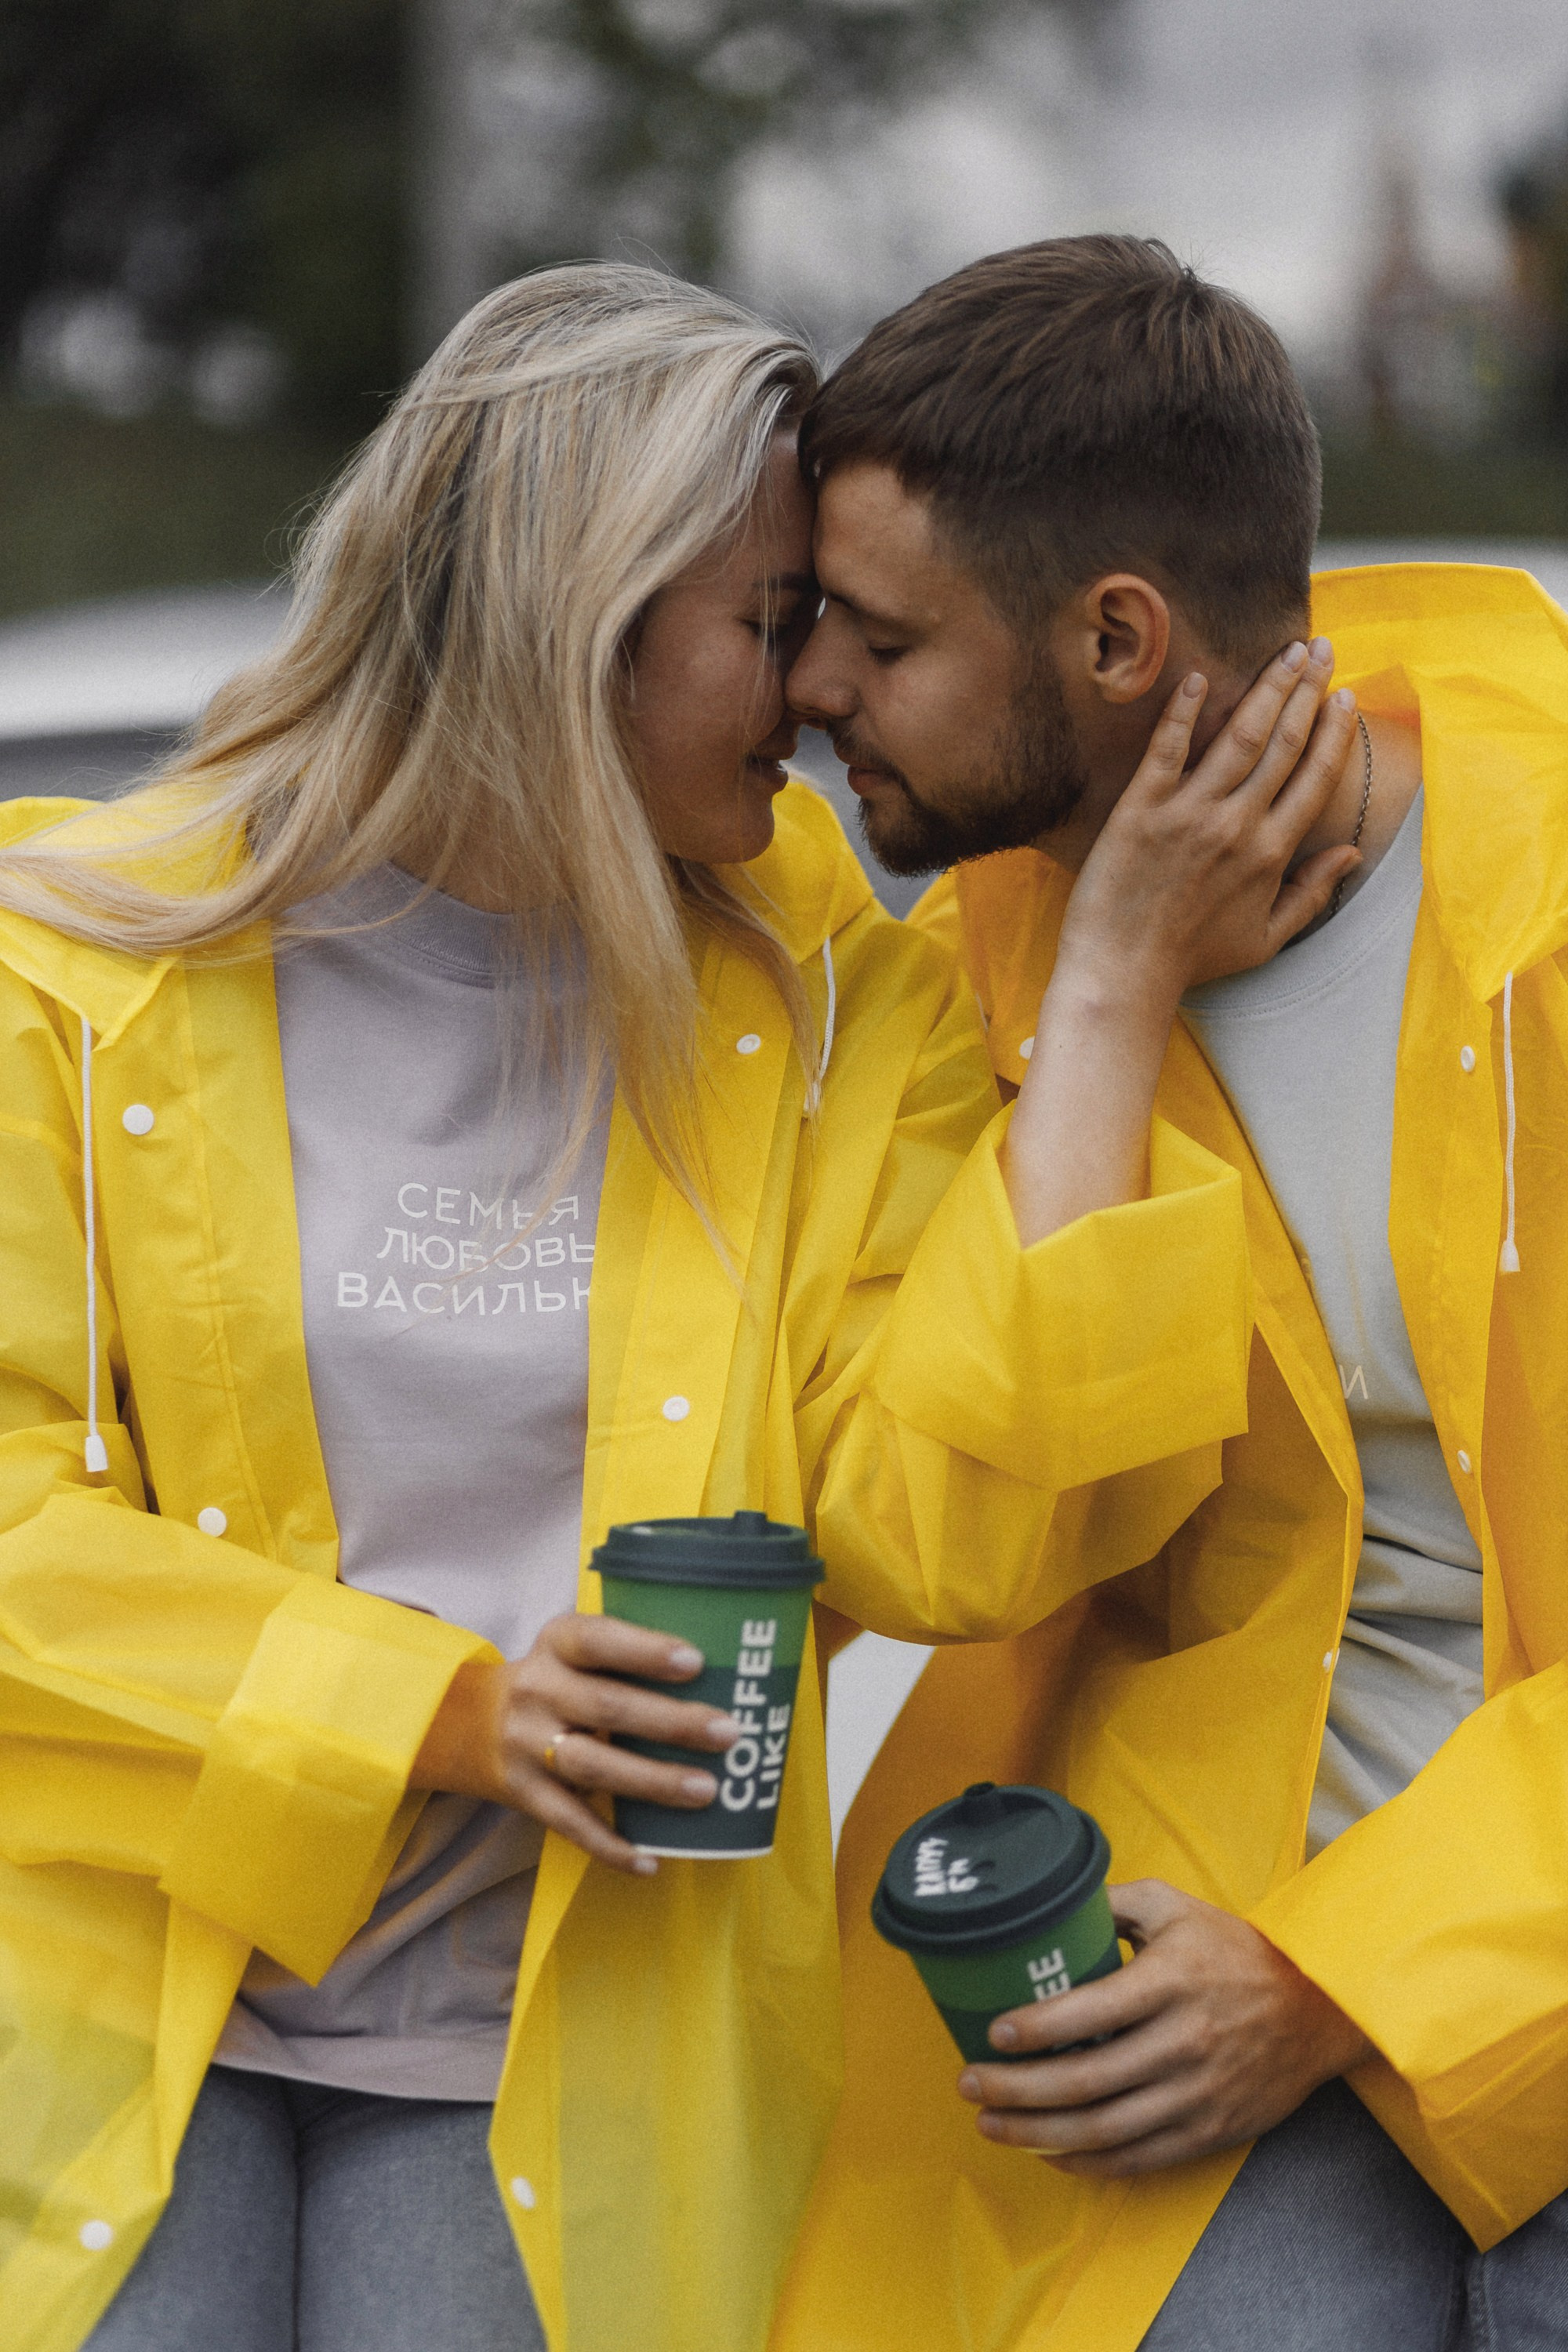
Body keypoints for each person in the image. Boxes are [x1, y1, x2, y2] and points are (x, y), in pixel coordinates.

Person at [0, 263, 1306, 2352]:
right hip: (123, 1994)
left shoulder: (822, 1006)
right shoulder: (71, 977)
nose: (809, 693)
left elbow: (940, 1532)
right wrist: (442, 1708)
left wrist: (1112, 992)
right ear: (573, 623)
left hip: (582, 2029)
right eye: (772, 622)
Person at [776, 234, 1568, 2352]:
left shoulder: (1549, 905)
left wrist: (1348, 1977)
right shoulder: (986, 979)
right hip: (1184, 1984)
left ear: (1116, 636)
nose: (808, 690)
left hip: (1432, 1960)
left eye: (874, 634)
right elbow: (959, 1537)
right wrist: (1115, 990)